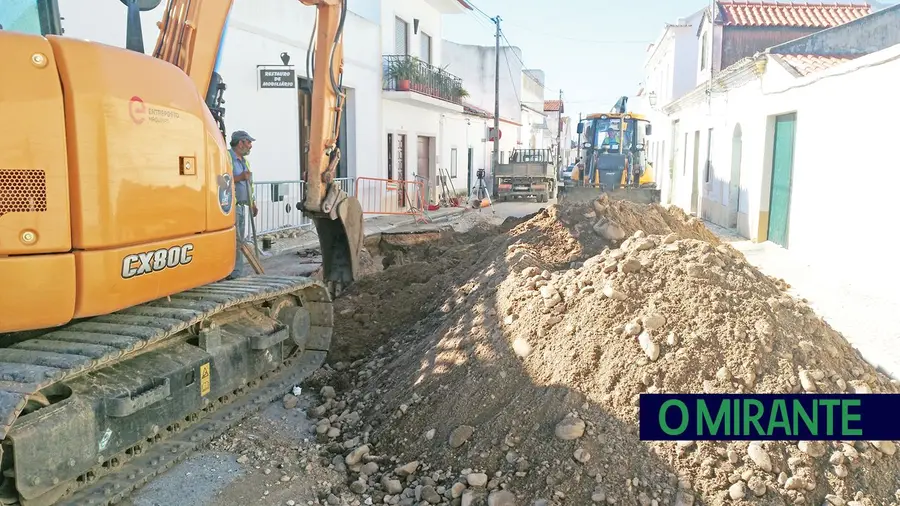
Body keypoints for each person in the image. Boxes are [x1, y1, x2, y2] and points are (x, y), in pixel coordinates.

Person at [228, 130, 258, 280]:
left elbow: (249, 185)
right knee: (233, 241)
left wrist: (252, 203)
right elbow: (220, 180)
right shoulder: (227, 157)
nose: (250, 146)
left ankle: (236, 272)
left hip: (241, 206)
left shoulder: (245, 161)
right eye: (249, 142)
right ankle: (231, 272)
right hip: (229, 207)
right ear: (241, 143)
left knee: (239, 242)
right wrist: (239, 177)